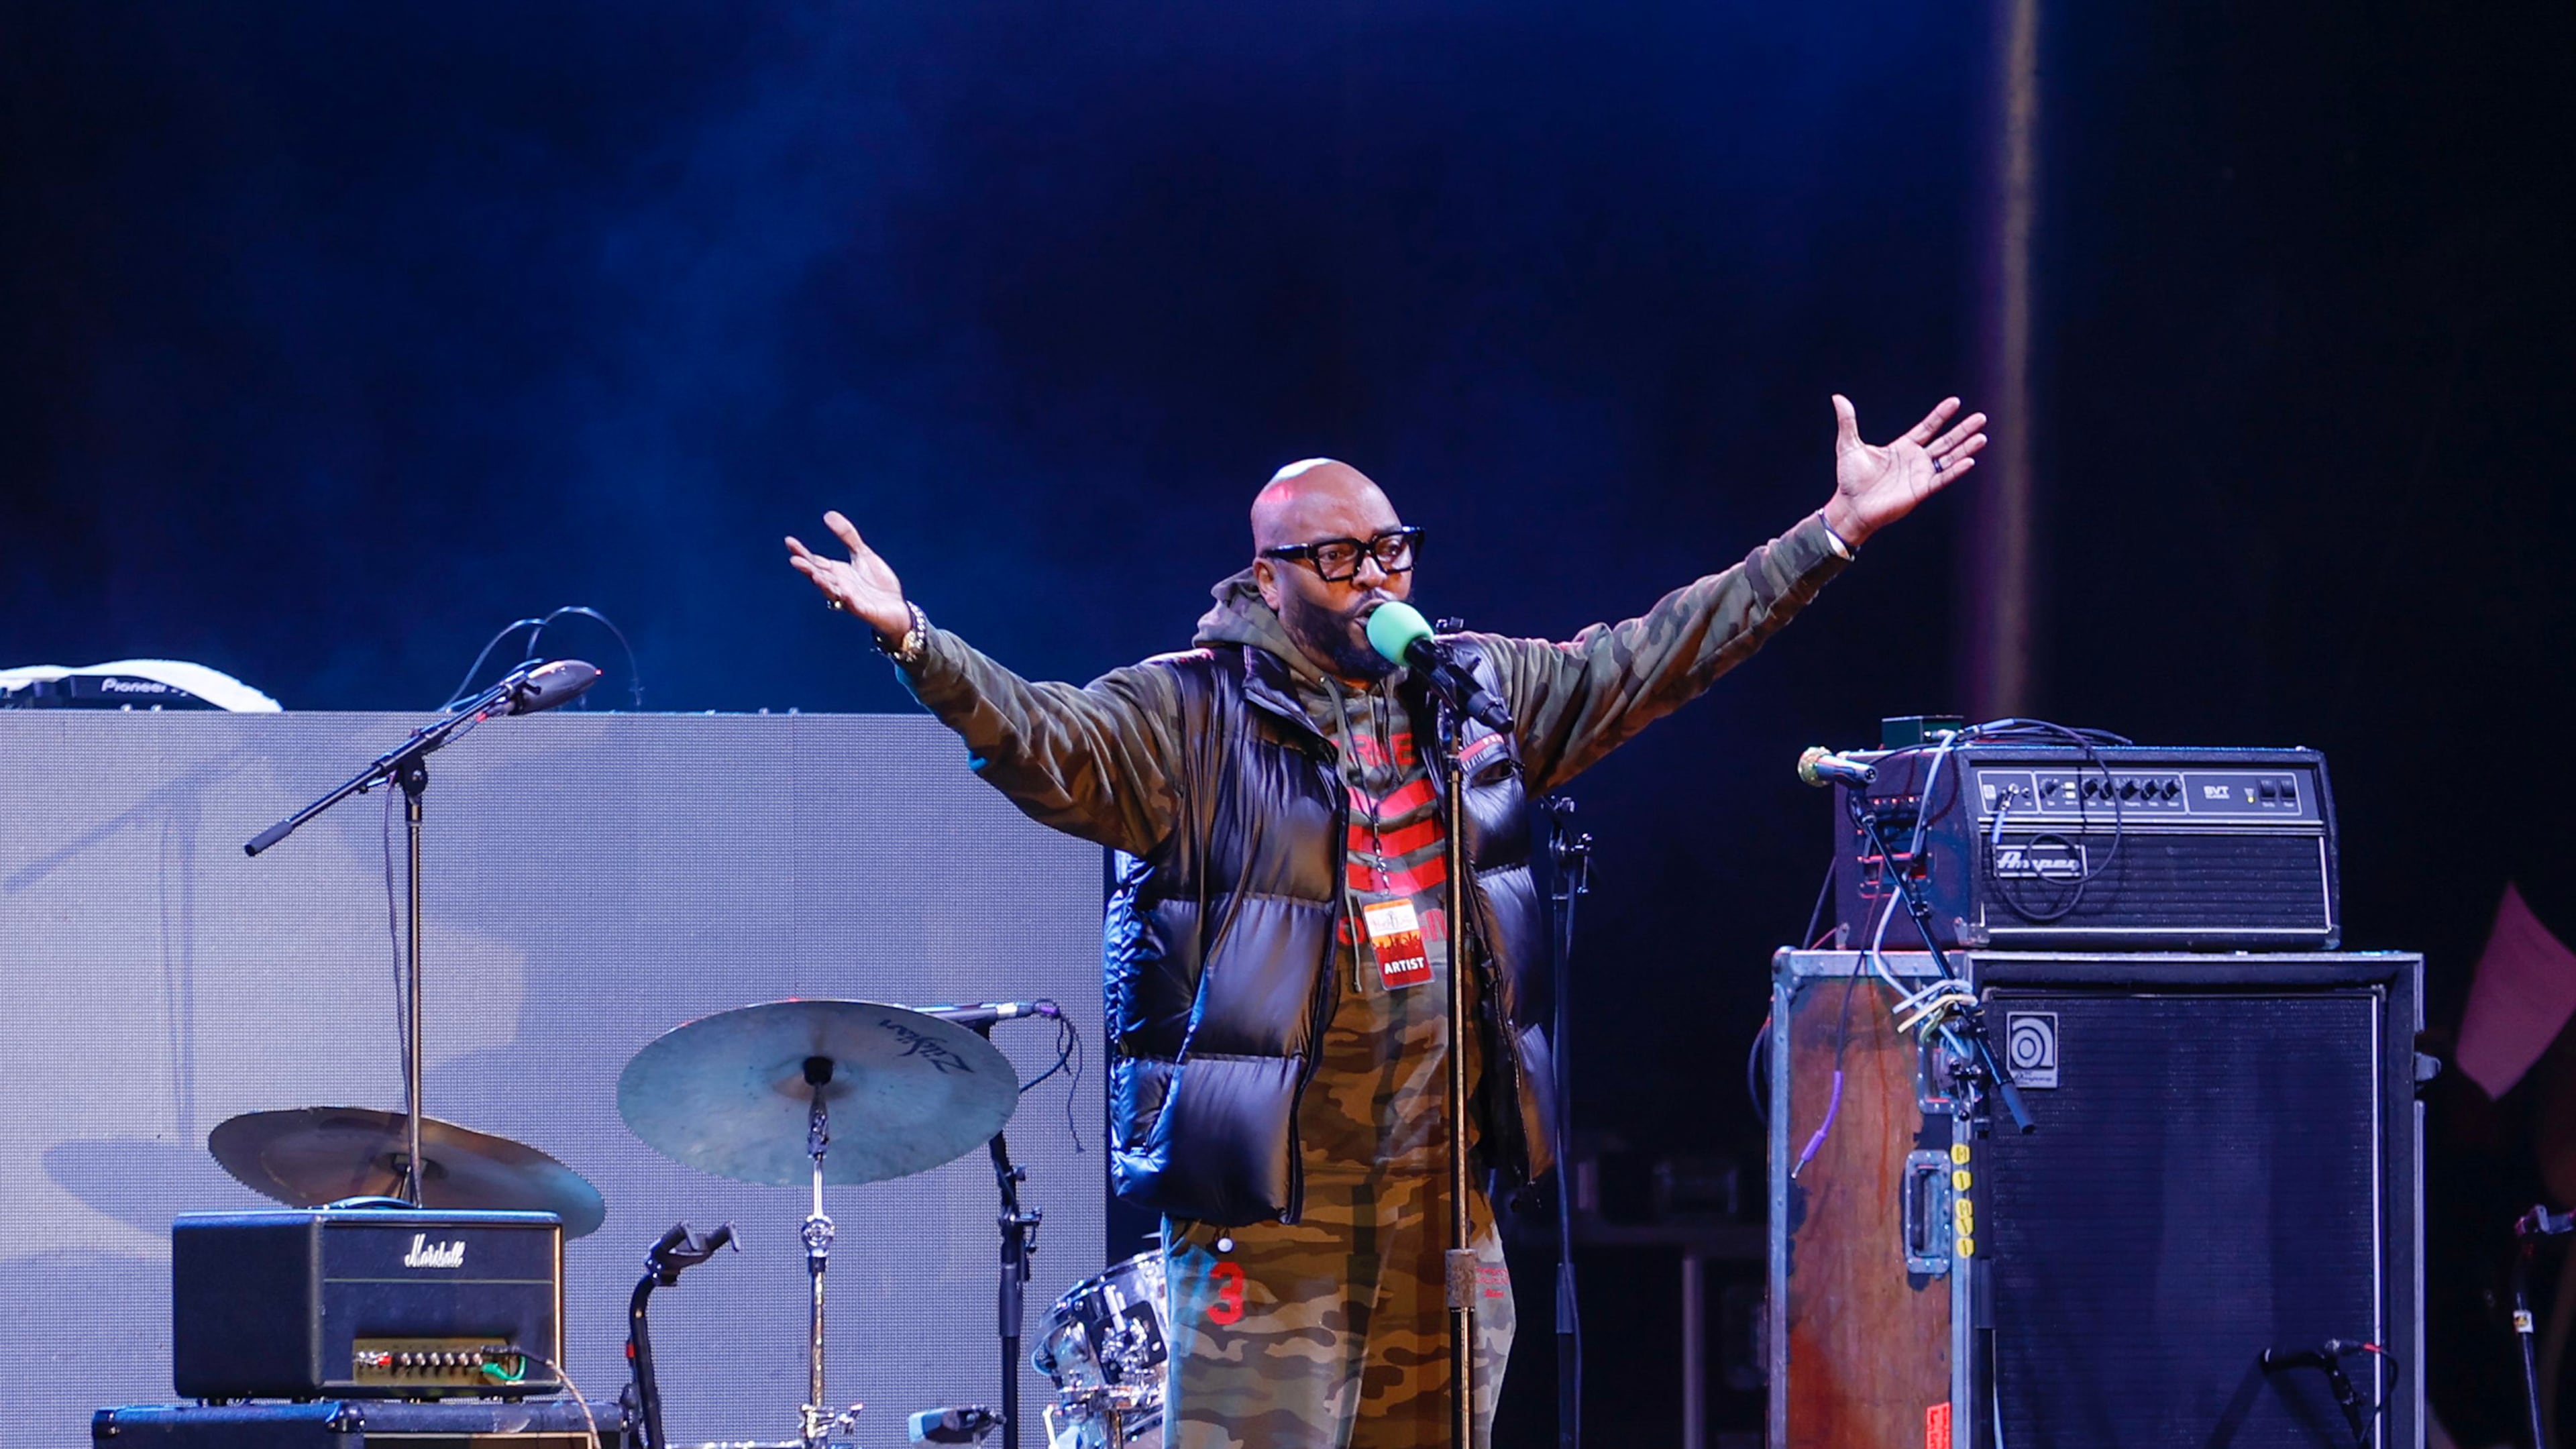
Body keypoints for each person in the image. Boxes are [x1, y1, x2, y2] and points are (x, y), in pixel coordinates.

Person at [785, 394, 1984, 1449]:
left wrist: (1831, 535)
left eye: (1392, 553)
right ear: (1269, 578)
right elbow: (1046, 740)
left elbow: (1655, 655)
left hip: (1443, 1206)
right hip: (1273, 1219)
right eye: (1342, 558)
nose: (1377, 581)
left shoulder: (1477, 699)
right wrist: (918, 644)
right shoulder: (1191, 716)